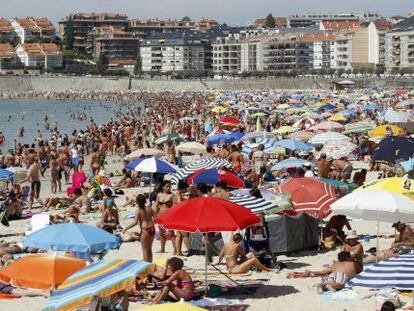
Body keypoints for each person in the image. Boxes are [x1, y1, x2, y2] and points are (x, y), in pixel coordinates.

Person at [123, 194, 155, 262]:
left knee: (145, 250)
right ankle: (150, 263)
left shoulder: (138, 211)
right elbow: (156, 217)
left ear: (137, 202)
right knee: (149, 249)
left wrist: (126, 228)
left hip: (145, 230)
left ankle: (146, 266)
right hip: (152, 229)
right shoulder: (149, 208)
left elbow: (135, 222)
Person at [152, 181, 176, 254]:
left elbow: (174, 206)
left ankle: (175, 249)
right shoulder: (159, 195)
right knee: (162, 233)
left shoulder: (172, 195)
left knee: (171, 233)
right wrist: (154, 216)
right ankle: (162, 249)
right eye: (167, 186)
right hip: (160, 215)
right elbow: (156, 205)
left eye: (169, 186)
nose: (168, 188)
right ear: (163, 187)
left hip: (169, 215)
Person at [173, 181, 190, 256]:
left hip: (175, 215)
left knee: (179, 235)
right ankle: (190, 250)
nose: (187, 190)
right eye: (186, 188)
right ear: (183, 188)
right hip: (179, 215)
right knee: (185, 234)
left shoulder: (177, 194)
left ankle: (178, 252)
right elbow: (180, 205)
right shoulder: (178, 195)